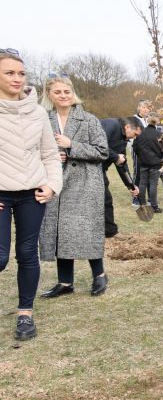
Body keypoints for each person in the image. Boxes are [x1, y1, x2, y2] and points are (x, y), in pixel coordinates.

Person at [0, 49, 62, 340]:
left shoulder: (37, 112)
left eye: (21, 73)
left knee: (27, 254)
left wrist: (51, 185)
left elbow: (50, 154)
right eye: (9, 72)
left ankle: (25, 314)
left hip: (32, 195)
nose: (17, 78)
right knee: (0, 257)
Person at [38, 74, 110, 298]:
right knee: (61, 231)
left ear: (73, 93)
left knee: (86, 231)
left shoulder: (89, 120)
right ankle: (65, 282)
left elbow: (102, 151)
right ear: (49, 94)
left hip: (85, 185)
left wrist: (72, 146)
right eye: (57, 92)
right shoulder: (42, 119)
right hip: (55, 183)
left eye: (66, 91)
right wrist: (49, 158)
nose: (63, 95)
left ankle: (99, 275)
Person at [99, 117, 141, 237]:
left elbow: (122, 164)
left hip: (99, 169)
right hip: (87, 167)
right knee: (101, 199)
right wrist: (116, 157)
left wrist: (130, 185)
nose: (135, 137)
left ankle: (110, 231)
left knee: (106, 199)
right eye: (135, 134)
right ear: (127, 127)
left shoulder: (123, 139)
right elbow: (100, 144)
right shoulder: (111, 124)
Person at [133, 116, 163, 213]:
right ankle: (154, 206)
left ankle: (142, 204)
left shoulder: (141, 133)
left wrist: (140, 155)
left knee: (142, 183)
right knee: (153, 184)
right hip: (155, 163)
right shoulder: (159, 134)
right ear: (156, 122)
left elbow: (135, 146)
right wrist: (161, 159)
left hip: (143, 162)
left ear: (148, 121)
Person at [129, 99, 151, 208]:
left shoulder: (150, 120)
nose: (146, 109)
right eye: (144, 107)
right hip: (138, 150)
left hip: (149, 152)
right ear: (139, 107)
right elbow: (133, 136)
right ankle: (135, 198)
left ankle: (147, 197)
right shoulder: (133, 119)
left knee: (148, 173)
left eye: (148, 108)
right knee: (138, 173)